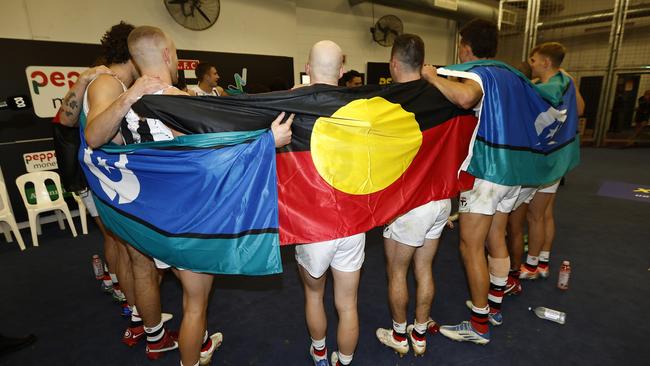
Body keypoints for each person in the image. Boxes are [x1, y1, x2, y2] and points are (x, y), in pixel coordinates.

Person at [421, 19, 516, 344]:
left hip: (487, 170)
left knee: (470, 245)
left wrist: (433, 76)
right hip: (511, 170)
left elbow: (464, 98)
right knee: (496, 237)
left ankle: (478, 325)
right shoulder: (510, 73)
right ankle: (494, 307)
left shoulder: (482, 72)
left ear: (466, 45)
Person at [374, 34, 450, 358]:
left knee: (397, 272)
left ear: (393, 63)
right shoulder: (445, 96)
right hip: (440, 199)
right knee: (425, 268)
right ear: (423, 63)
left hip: (409, 202)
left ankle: (399, 335)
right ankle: (420, 333)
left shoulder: (385, 102)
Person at [294, 40, 362, 366]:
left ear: (307, 69)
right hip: (352, 222)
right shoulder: (362, 109)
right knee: (347, 303)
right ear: (343, 71)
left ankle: (319, 352)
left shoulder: (291, 106)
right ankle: (344, 361)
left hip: (313, 223)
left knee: (314, 294)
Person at [515, 42, 584, 282]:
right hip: (559, 159)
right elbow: (581, 108)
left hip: (545, 161)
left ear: (545, 62)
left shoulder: (547, 88)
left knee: (534, 216)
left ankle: (532, 265)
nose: (530, 64)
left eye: (533, 60)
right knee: (546, 214)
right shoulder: (566, 83)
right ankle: (543, 260)